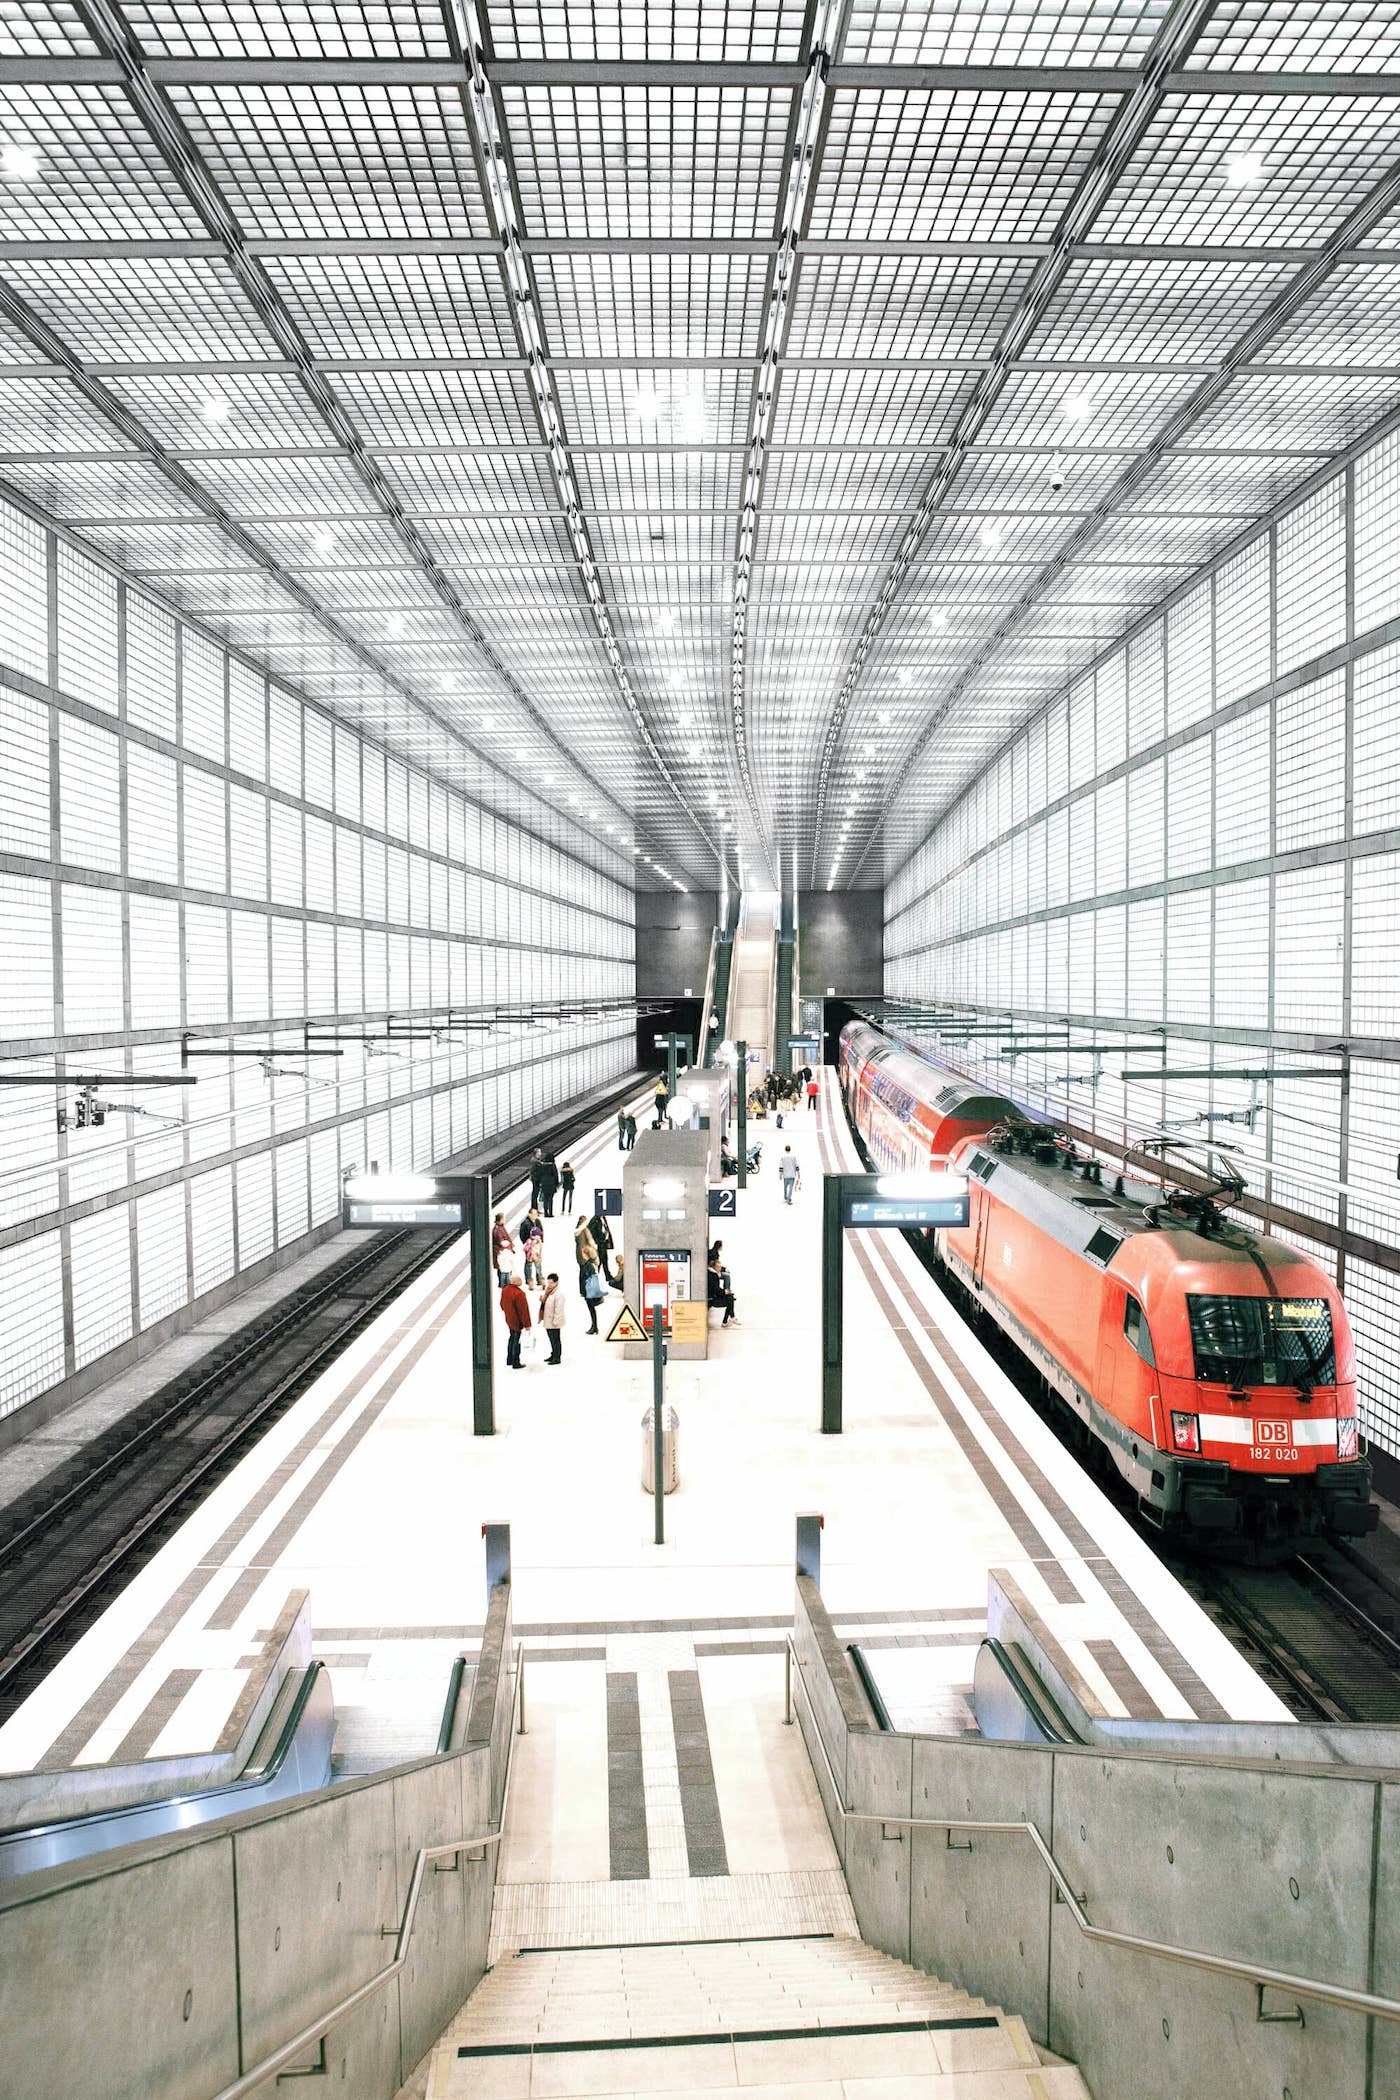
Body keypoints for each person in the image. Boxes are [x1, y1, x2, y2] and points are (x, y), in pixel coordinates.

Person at [500, 1271, 532, 1369]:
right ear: (515, 1281)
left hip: (509, 1319)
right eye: (519, 1279)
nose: (521, 1281)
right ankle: (515, 1361)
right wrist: (527, 1325)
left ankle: (509, 1359)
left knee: (511, 1338)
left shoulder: (505, 1290)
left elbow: (501, 1304)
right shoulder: (519, 1294)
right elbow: (524, 1311)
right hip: (516, 1322)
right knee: (516, 1341)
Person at [590, 1205, 621, 1288]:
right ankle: (594, 1279)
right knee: (599, 1261)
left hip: (603, 1243)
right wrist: (596, 1241)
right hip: (599, 1244)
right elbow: (590, 1231)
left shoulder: (603, 1217)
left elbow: (606, 1229)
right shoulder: (595, 1219)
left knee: (604, 1260)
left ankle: (607, 1275)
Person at [539, 1271, 566, 1364]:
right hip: (548, 1320)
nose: (549, 1285)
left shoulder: (558, 1294)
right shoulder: (549, 1292)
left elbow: (559, 1310)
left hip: (554, 1322)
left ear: (556, 1282)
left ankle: (557, 1357)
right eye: (548, 1282)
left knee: (556, 1340)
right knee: (552, 1339)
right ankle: (553, 1354)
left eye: (551, 1283)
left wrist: (556, 1321)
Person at [707, 1250, 736, 1326]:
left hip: (712, 1297)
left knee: (730, 1297)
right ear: (714, 1267)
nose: (720, 1269)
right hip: (712, 1300)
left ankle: (729, 1319)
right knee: (730, 1299)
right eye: (719, 1267)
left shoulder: (712, 1274)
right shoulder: (713, 1276)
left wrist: (725, 1291)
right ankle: (727, 1320)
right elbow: (715, 1290)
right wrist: (724, 1292)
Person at [491, 1211, 514, 1289]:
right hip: (501, 1251)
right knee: (503, 1269)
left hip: (502, 1251)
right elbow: (501, 1241)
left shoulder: (499, 1227)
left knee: (503, 1268)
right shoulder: (498, 1230)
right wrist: (508, 1245)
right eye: (503, 1218)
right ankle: (503, 1284)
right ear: (500, 1219)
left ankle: (504, 1283)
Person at [521, 1210, 544, 1287]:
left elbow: (541, 1231)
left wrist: (541, 1241)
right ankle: (529, 1279)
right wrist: (527, 1243)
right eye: (534, 1214)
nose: (535, 1216)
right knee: (529, 1264)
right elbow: (522, 1234)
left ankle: (539, 1279)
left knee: (538, 1263)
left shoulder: (538, 1221)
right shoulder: (525, 1223)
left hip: (537, 1247)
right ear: (529, 1214)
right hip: (529, 1247)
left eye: (536, 1214)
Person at [539, 1153, 560, 1218]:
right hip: (551, 1183)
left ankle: (545, 1212)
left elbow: (540, 1174)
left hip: (544, 1183)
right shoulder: (552, 1165)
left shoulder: (542, 1165)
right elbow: (555, 1174)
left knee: (545, 1198)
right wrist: (557, 1183)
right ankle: (550, 1213)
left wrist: (540, 1182)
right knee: (550, 1199)